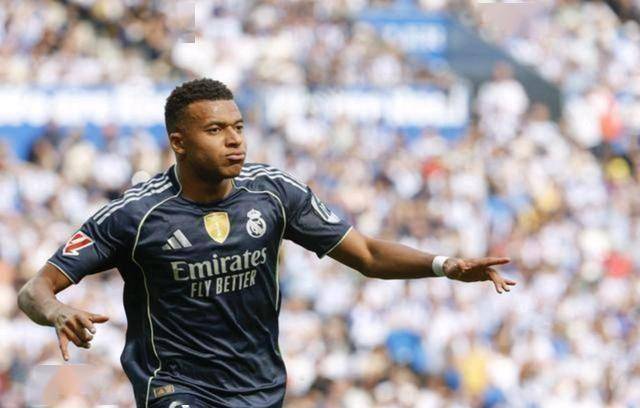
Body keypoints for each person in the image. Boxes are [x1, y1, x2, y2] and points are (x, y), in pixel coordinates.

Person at [17, 78, 516, 408]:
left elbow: (365, 254)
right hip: (175, 386)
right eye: (216, 130)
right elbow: (35, 290)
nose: (234, 139)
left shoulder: (273, 193)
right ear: (179, 142)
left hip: (259, 386)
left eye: (238, 127)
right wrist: (57, 312)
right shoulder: (134, 214)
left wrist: (445, 265)